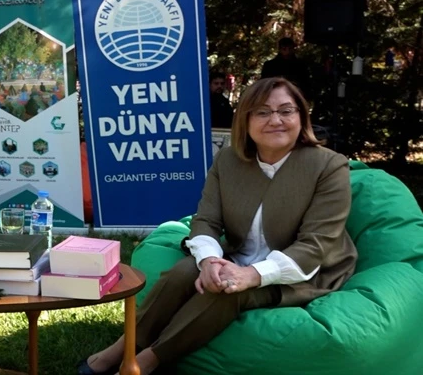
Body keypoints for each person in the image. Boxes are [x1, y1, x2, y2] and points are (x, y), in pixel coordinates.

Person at [77, 77, 357, 375]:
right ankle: (126, 344)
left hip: (301, 273)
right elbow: (207, 220)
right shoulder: (228, 160)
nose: (276, 120)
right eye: (262, 112)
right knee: (184, 272)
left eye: (286, 111)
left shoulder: (328, 166)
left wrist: (251, 275)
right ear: (245, 120)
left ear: (301, 116)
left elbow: (315, 244)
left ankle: (149, 360)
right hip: (238, 257)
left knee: (229, 290)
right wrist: (209, 260)